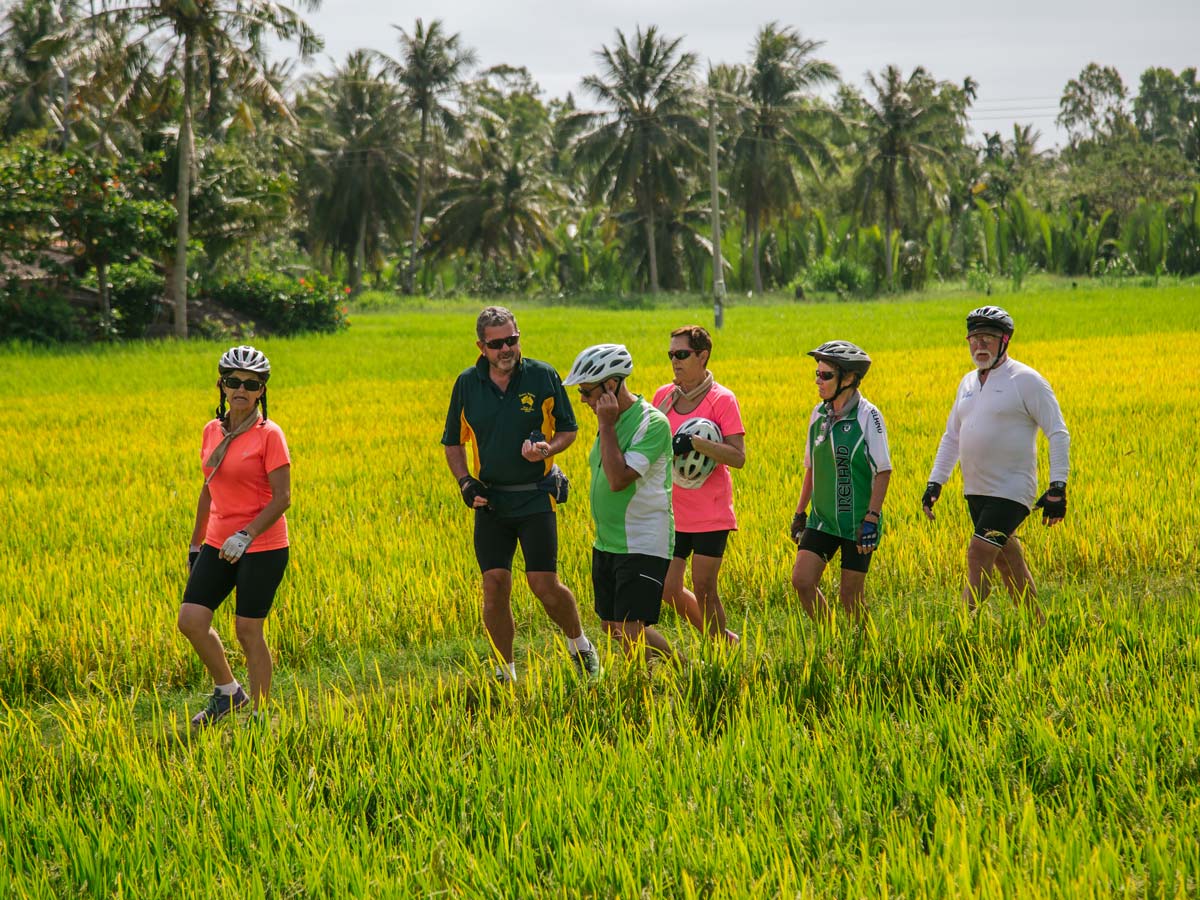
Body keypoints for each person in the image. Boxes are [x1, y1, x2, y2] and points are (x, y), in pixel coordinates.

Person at [442, 306, 600, 682]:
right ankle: (505, 671)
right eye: (497, 344)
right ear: (482, 346)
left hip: (535, 498)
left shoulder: (543, 376)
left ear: (518, 337)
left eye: (512, 340)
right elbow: (453, 443)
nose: (506, 349)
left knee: (543, 584)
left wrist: (548, 448)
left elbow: (568, 429)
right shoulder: (467, 384)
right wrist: (466, 482)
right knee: (495, 588)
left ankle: (580, 645)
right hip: (491, 502)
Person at [922, 306, 1069, 622]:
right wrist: (936, 482)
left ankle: (961, 628)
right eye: (974, 339)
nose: (980, 346)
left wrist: (1058, 486)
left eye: (987, 338)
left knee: (978, 554)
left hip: (1012, 489)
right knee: (1008, 562)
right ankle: (1037, 624)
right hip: (976, 491)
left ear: (1005, 341)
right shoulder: (967, 383)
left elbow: (1057, 432)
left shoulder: (1026, 380)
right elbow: (952, 437)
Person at [179, 345, 291, 727]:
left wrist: (246, 534)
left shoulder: (269, 435)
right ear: (221, 386)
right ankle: (229, 692)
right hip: (217, 542)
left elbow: (283, 498)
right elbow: (208, 487)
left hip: (262, 545)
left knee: (247, 630)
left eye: (251, 384)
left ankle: (260, 714)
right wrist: (197, 544)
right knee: (191, 620)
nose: (241, 389)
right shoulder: (213, 430)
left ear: (261, 390)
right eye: (233, 382)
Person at [564, 344, 676, 662]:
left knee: (629, 628)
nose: (583, 399)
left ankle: (642, 692)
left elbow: (617, 479)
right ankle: (685, 669)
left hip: (642, 541)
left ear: (610, 386)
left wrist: (607, 424)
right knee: (611, 625)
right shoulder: (608, 422)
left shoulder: (651, 424)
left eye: (586, 391)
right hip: (608, 541)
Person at [653, 325, 746, 643]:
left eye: (682, 354)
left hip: (711, 513)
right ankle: (722, 638)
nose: (675, 361)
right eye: (671, 355)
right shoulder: (663, 397)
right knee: (668, 588)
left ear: (702, 355)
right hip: (672, 511)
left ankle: (720, 650)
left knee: (705, 587)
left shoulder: (722, 400)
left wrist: (694, 442)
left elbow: (737, 456)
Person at [790, 341, 891, 620]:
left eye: (826, 375)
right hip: (822, 519)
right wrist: (800, 512)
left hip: (857, 522)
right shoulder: (818, 414)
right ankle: (832, 639)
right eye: (817, 374)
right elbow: (811, 467)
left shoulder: (868, 416)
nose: (818, 381)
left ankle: (865, 653)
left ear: (848, 378)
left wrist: (872, 518)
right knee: (802, 581)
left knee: (851, 599)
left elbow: (883, 470)